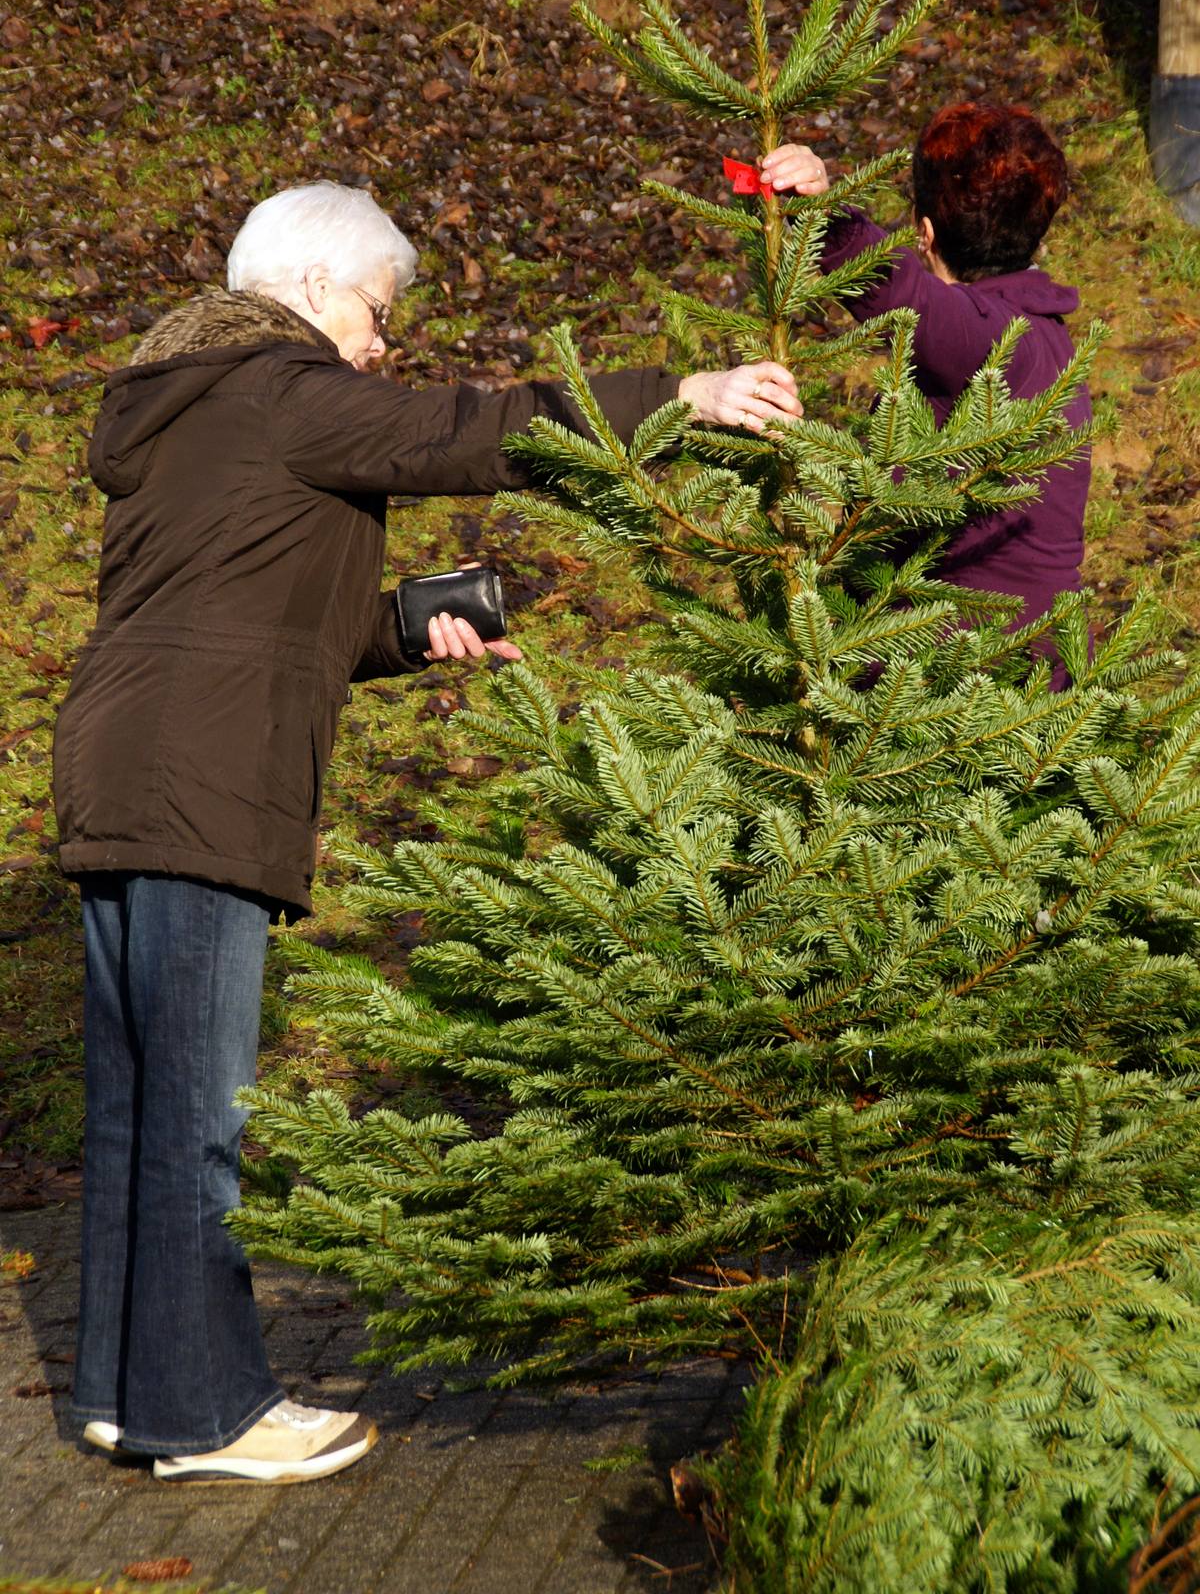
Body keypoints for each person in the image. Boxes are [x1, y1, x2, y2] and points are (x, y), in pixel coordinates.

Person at [51, 180, 800, 1486]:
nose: (384, 345)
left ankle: (127, 1394)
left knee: (138, 1108)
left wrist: (408, 628)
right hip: (203, 783)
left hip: (124, 766)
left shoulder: (190, 413)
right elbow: (470, 433)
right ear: (310, 286)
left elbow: (267, 615)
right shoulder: (278, 385)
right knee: (196, 1122)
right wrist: (678, 397)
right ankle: (205, 1415)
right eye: (379, 311)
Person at [761, 102, 1089, 680]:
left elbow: (903, 296)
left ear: (925, 231)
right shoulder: (1048, 336)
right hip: (1035, 660)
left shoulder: (1001, 338)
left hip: (964, 677)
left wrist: (826, 213)